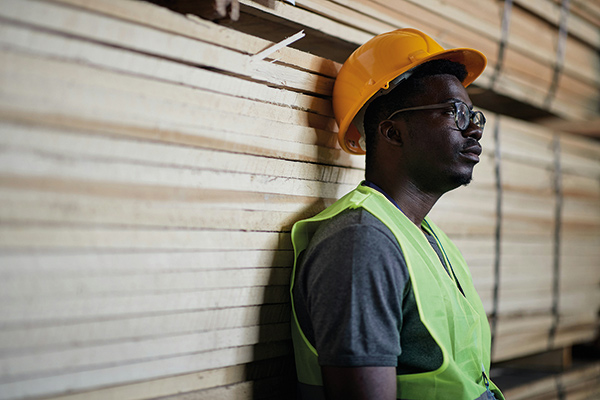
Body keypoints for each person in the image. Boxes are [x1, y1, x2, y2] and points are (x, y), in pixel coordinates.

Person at [290, 28, 505, 400]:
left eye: (475, 115)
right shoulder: (361, 243)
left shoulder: (427, 239)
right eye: (455, 112)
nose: (474, 129)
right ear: (392, 133)